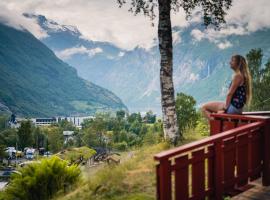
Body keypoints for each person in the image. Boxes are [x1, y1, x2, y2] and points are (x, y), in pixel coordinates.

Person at [201, 55, 252, 120]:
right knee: (216, 108)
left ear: (238, 64)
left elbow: (230, 94)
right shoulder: (243, 75)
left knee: (204, 107)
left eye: (232, 60)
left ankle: (215, 123)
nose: (230, 62)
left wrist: (225, 109)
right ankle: (218, 121)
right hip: (238, 108)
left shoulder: (238, 76)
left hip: (233, 108)